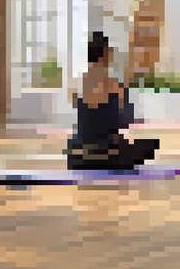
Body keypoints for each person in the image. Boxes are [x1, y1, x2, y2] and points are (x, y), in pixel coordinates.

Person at [66, 32, 159, 171]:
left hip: (77, 155)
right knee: (151, 144)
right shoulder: (111, 83)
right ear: (105, 54)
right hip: (105, 154)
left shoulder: (78, 82)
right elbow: (122, 120)